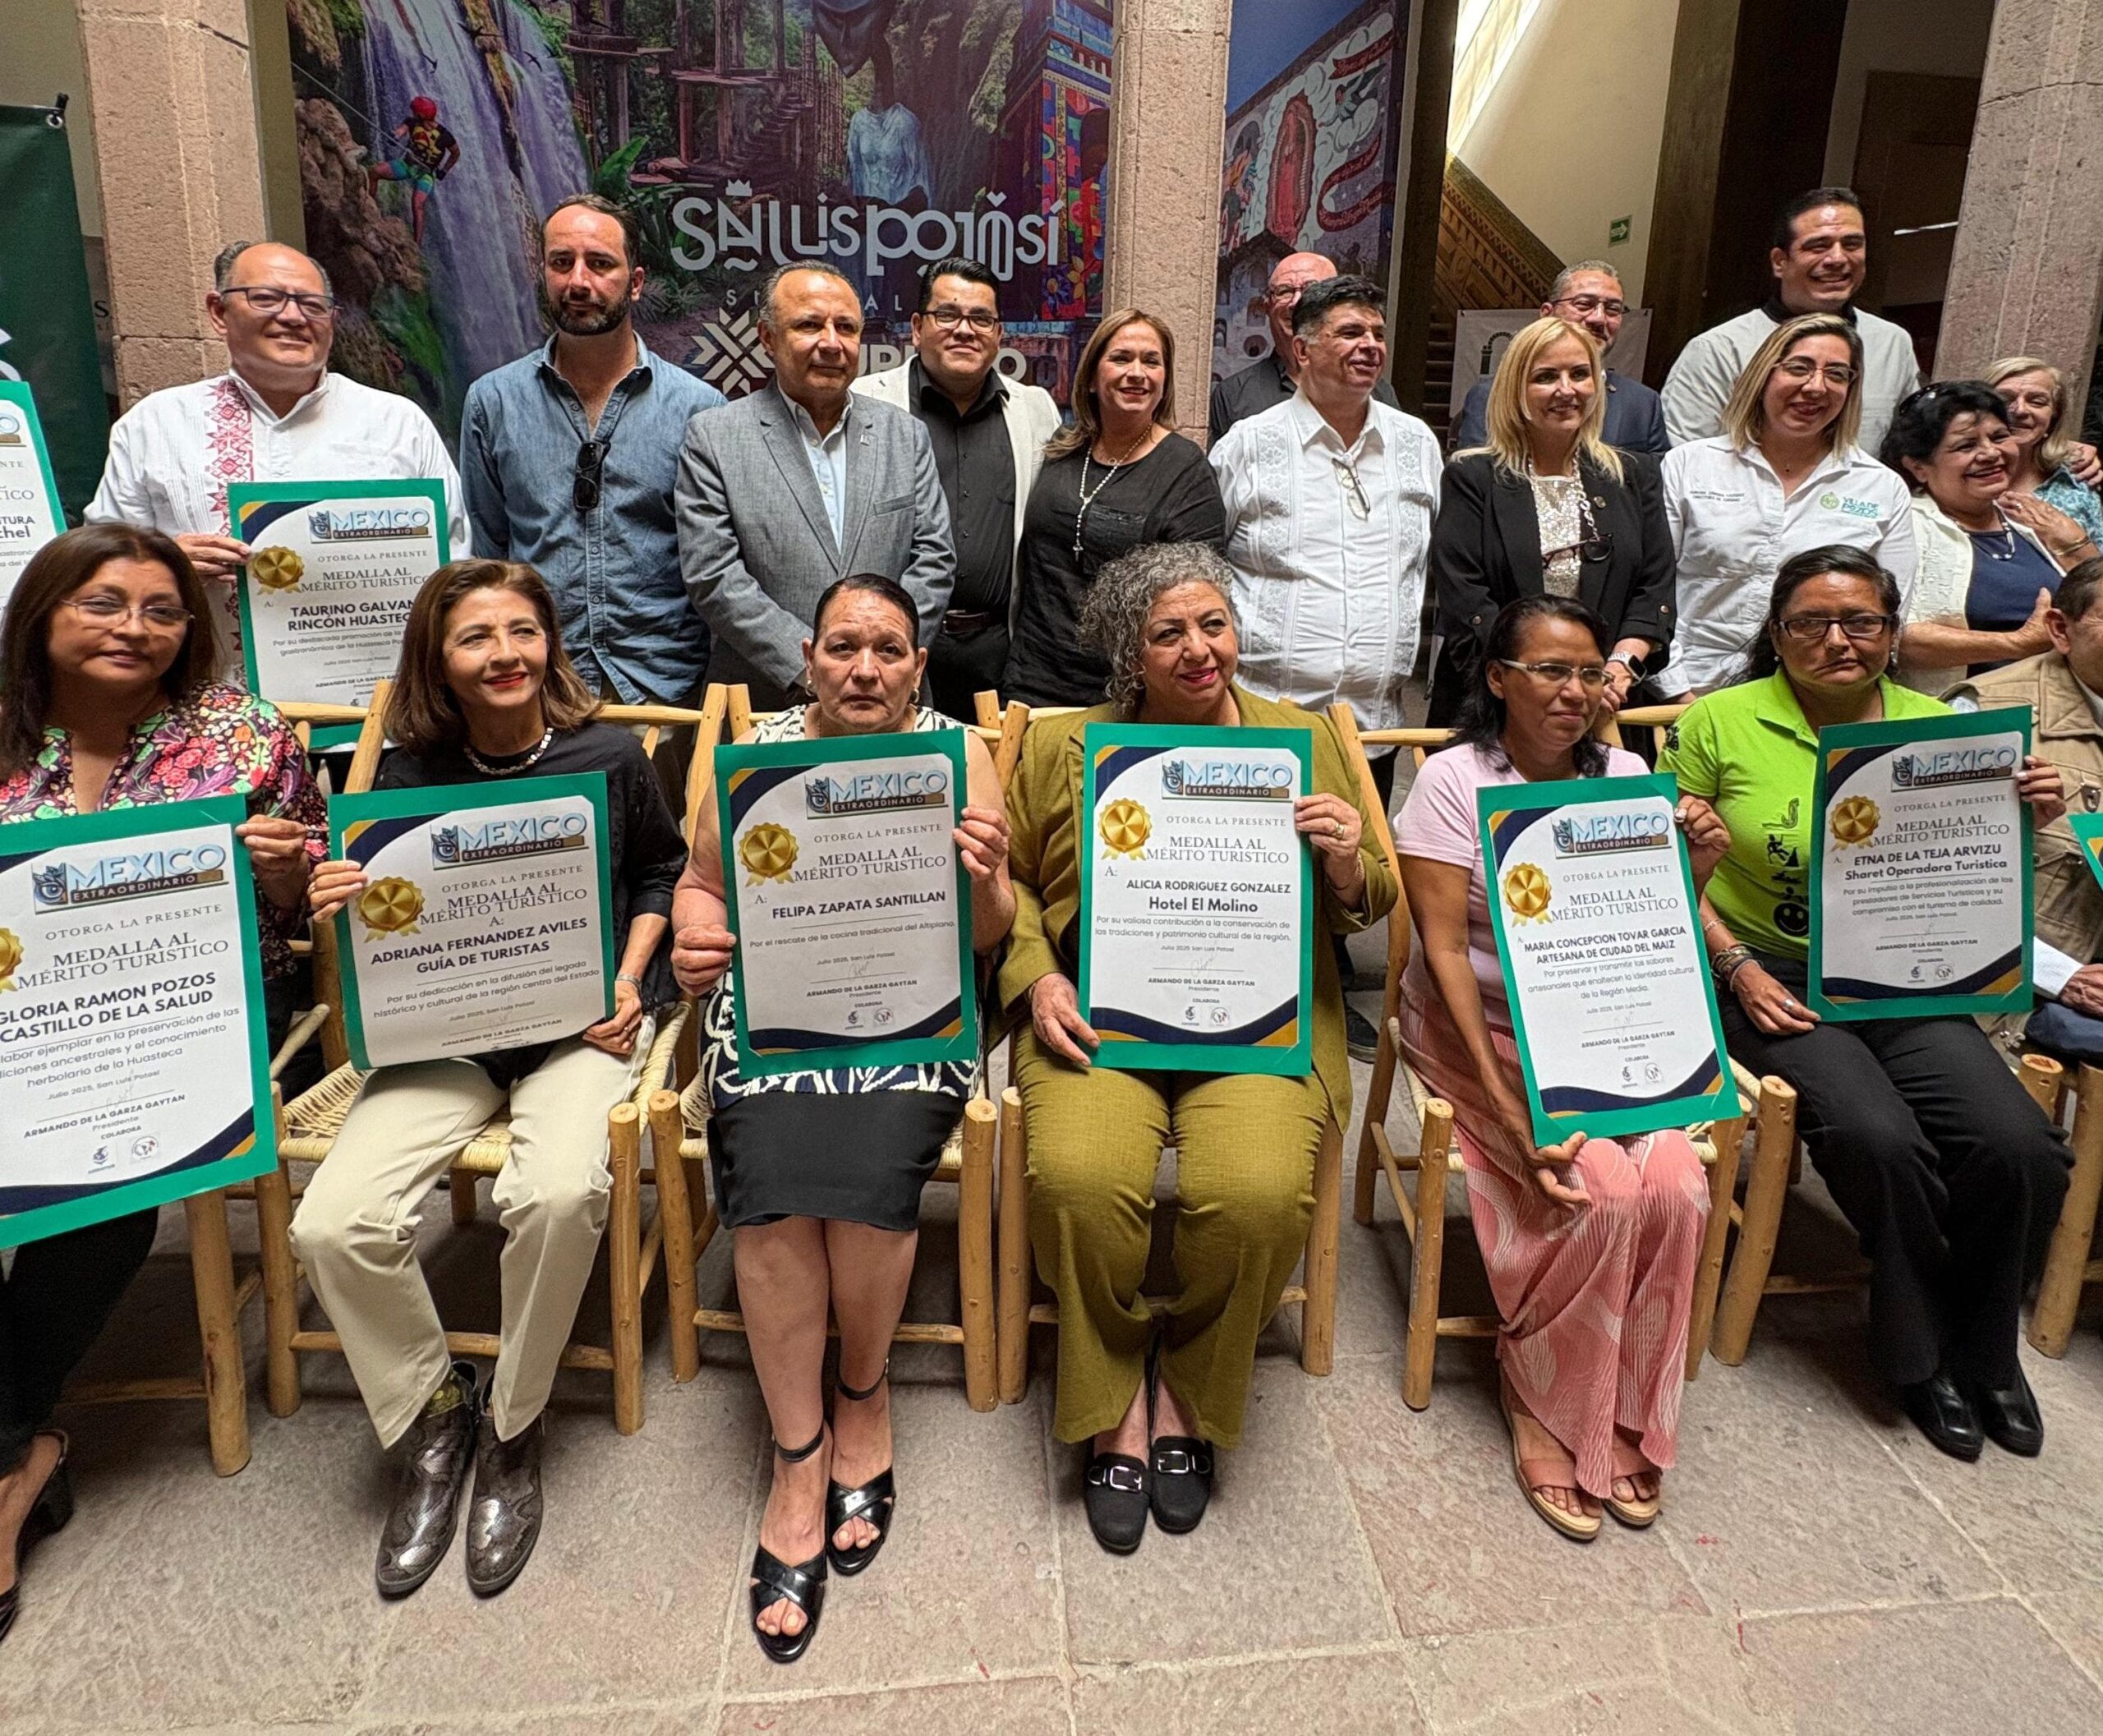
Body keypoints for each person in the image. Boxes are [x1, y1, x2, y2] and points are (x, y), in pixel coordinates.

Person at [292, 559, 686, 1600]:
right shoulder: (403, 779)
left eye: (523, 630)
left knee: (558, 1192)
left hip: (579, 1028)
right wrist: (339, 891)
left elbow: (658, 871)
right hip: (450, 1037)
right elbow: (381, 919)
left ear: (550, 642)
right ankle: (433, 1412)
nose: (505, 653)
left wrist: (629, 979)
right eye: (476, 636)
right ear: (438, 657)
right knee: (331, 1223)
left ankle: (513, 1421)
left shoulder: (608, 754)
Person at [1001, 542, 1395, 1554]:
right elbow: (1013, 891)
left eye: (1212, 624)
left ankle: (1189, 1385)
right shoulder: (1063, 745)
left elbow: (1375, 895)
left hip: (1258, 1025)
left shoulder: (1300, 739)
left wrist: (1345, 861)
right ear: (1127, 653)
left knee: (1256, 1194)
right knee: (1077, 1180)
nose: (1198, 649)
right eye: (1167, 632)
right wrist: (1036, 978)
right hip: (1100, 1018)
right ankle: (1111, 1401)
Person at [668, 573, 1015, 1663]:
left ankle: (862, 1391)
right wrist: (691, 939)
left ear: (919, 667)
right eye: (842, 648)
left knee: (866, 1192)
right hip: (774, 1015)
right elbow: (701, 884)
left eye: (888, 650)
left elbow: (994, 930)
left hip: (914, 1015)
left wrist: (985, 879)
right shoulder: (754, 755)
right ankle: (797, 1454)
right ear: (807, 660)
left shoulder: (958, 756)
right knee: (771, 1199)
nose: (864, 669)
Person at [1660, 545, 2070, 1461]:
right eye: (1811, 622)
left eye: (1861, 621)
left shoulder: (1945, 727)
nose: (1837, 639)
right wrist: (1735, 967)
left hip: (1901, 971)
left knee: (2019, 1145)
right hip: (1763, 971)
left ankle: (1988, 1352)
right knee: (1878, 1138)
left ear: (1892, 632)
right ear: (1777, 635)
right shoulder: (1720, 720)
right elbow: (1670, 868)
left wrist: (2025, 812)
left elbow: (1979, 863)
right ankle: (1917, 1357)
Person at [0, 523, 325, 1642]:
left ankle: (10, 1463)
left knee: (113, 1164)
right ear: (43, 609)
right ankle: (20, 1447)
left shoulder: (240, 732)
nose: (134, 628)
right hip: (20, 1024)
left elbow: (308, 904)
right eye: (103, 602)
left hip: (187, 1023)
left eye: (161, 610)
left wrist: (285, 876)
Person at [1397, 596, 1728, 1537]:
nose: (1574, 691)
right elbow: (1442, 952)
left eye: (1588, 672)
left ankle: (1625, 1396)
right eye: (1549, 671)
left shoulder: (1626, 773)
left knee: (1675, 1184)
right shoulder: (1454, 781)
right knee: (1599, 1188)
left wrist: (1698, 867)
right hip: (1479, 1030)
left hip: (1604, 1029)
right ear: (1498, 678)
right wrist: (1506, 1109)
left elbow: (1652, 926)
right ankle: (1541, 1388)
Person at [1208, 273, 1438, 1056]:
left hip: (1374, 715)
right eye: (1348, 332)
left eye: (1376, 333)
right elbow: (1210, 563)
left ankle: (1327, 996)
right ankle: (1245, 1002)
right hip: (1270, 705)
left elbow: (1422, 567)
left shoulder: (1416, 443)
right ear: (1302, 350)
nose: (1369, 346)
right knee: (1264, 869)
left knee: (1344, 864)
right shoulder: (1250, 444)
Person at [85, 241, 470, 674]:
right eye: (266, 298)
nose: (292, 316)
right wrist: (163, 564)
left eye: (312, 305)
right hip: (208, 698)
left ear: (332, 321)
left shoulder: (397, 422)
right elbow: (98, 570)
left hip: (376, 696)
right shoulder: (155, 425)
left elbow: (453, 561)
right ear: (219, 312)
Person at [462, 196, 725, 711]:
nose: (578, 282)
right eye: (562, 262)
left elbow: (712, 563)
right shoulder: (492, 403)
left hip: (666, 688)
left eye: (600, 264)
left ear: (636, 282)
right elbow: (490, 552)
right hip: (540, 686)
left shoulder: (699, 408)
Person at [675, 262, 954, 712]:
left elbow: (935, 560)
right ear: (767, 337)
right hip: (765, 701)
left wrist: (883, 661)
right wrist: (814, 669)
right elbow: (714, 576)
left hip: (891, 703)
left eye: (846, 327)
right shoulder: (715, 437)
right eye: (809, 325)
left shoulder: (905, 435)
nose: (831, 343)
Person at [1430, 315, 1676, 725]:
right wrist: (1543, 680)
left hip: (1605, 703)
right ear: (1516, 389)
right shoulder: (1472, 477)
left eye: (1579, 374)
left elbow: (1655, 591)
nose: (1566, 389)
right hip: (1494, 704)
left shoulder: (1634, 476)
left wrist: (1616, 668)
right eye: (1546, 377)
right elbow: (1466, 599)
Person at [1655, 313, 1915, 698]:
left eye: (1837, 374)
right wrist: (1678, 692)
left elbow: (1887, 616)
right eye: (1798, 368)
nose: (1816, 387)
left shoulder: (1881, 487)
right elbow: (1652, 590)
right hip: (1691, 687)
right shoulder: (1688, 465)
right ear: (1763, 375)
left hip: (1816, 696)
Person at [851, 259, 1062, 718]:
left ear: (999, 334)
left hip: (999, 654)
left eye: (981, 319)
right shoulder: (865, 401)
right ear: (917, 328)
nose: (965, 330)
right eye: (947, 315)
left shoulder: (1035, 409)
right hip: (890, 653)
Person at [1001, 311, 1226, 707]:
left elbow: (1197, 599)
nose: (1137, 373)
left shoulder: (1185, 470)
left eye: (1151, 361)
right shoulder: (1063, 447)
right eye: (1121, 358)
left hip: (1127, 691)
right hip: (1031, 678)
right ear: (1091, 376)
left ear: (1164, 382)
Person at [1948, 558, 2103, 1064]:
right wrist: (2061, 977)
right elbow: (1926, 893)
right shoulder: (1988, 716)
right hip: (2017, 991)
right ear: (2060, 629)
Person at [1660, 187, 1920, 454]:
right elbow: (1685, 461)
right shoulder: (1718, 349)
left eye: (1852, 244)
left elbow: (1910, 450)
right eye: (1818, 246)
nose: (1837, 259)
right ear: (1780, 262)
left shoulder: (1892, 343)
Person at [1884, 381, 2092, 689]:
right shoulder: (1904, 526)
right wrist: (2017, 643)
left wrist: (2077, 543)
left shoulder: (2029, 518)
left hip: (2055, 702)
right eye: (1966, 446)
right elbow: (1892, 638)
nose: (1991, 453)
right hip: (1956, 709)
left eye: (1999, 437)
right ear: (1919, 467)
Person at [1449, 262, 1669, 454]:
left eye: (1613, 309)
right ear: (1547, 313)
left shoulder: (1643, 404)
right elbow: (1477, 480)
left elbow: (1652, 484)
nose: (1599, 319)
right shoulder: (1492, 396)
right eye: (1584, 305)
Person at [1209, 252, 1401, 442]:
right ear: (1267, 305)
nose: (1296, 302)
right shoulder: (1234, 395)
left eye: (1312, 290)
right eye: (1284, 291)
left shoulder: (1379, 394)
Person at [1988, 357, 2103, 550]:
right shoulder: (1954, 475)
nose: (2020, 410)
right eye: (2005, 399)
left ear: (2054, 415)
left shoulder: (2075, 481)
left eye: (2037, 402)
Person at [365, 95, 459, 245]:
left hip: (425, 175)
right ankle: (369, 208)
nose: (413, 114)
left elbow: (456, 153)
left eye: (415, 112)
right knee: (375, 172)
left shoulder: (445, 136)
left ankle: (417, 245)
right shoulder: (412, 122)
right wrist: (395, 136)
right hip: (406, 166)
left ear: (421, 115)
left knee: (417, 205)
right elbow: (401, 130)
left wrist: (444, 170)